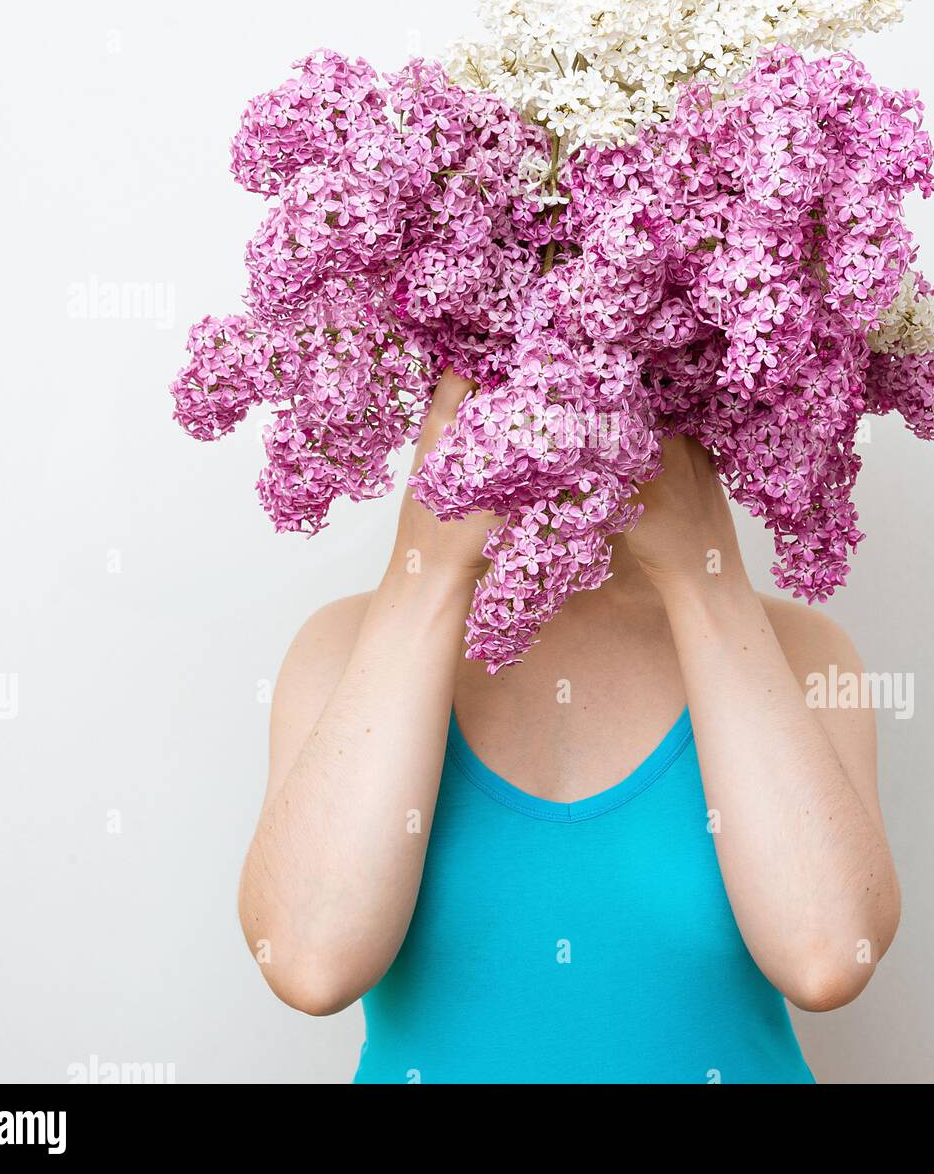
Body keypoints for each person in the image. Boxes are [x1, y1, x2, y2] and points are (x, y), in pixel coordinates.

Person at [239, 371, 900, 1083]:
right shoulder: (345, 650)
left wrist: (705, 577)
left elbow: (828, 960)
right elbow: (310, 965)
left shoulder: (799, 655)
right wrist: (426, 569)